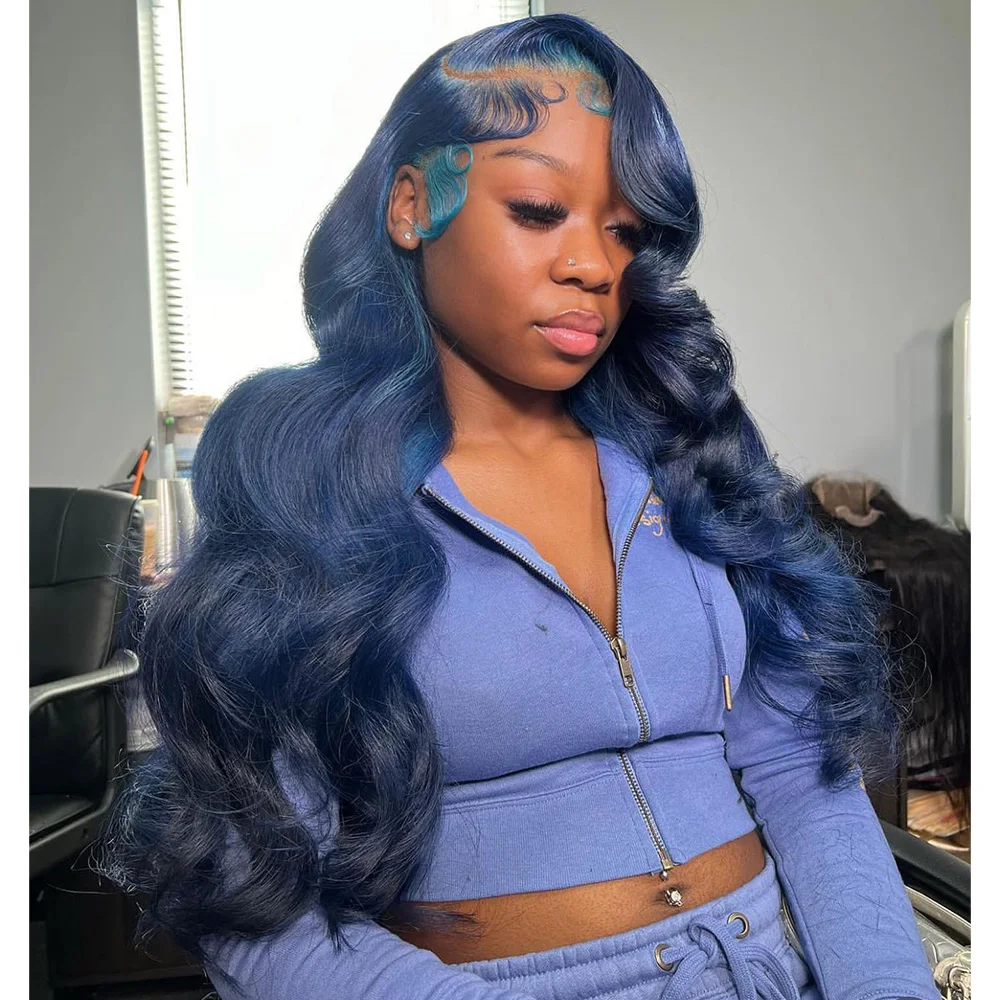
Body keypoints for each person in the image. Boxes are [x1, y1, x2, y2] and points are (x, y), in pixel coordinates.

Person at [98, 14, 941, 1000]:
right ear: (412, 204)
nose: (594, 265)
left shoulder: (683, 451)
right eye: (540, 210)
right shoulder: (314, 493)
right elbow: (257, 905)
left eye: (624, 230)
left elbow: (806, 776)